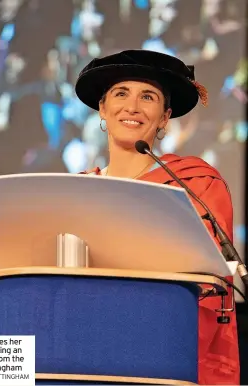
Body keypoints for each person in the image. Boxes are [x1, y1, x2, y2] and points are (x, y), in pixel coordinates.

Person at [75, 49, 240, 385]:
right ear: (102, 109)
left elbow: (207, 285)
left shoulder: (193, 184)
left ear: (165, 116)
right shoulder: (75, 192)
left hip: (163, 358)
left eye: (147, 97)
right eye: (121, 94)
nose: (132, 107)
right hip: (79, 356)